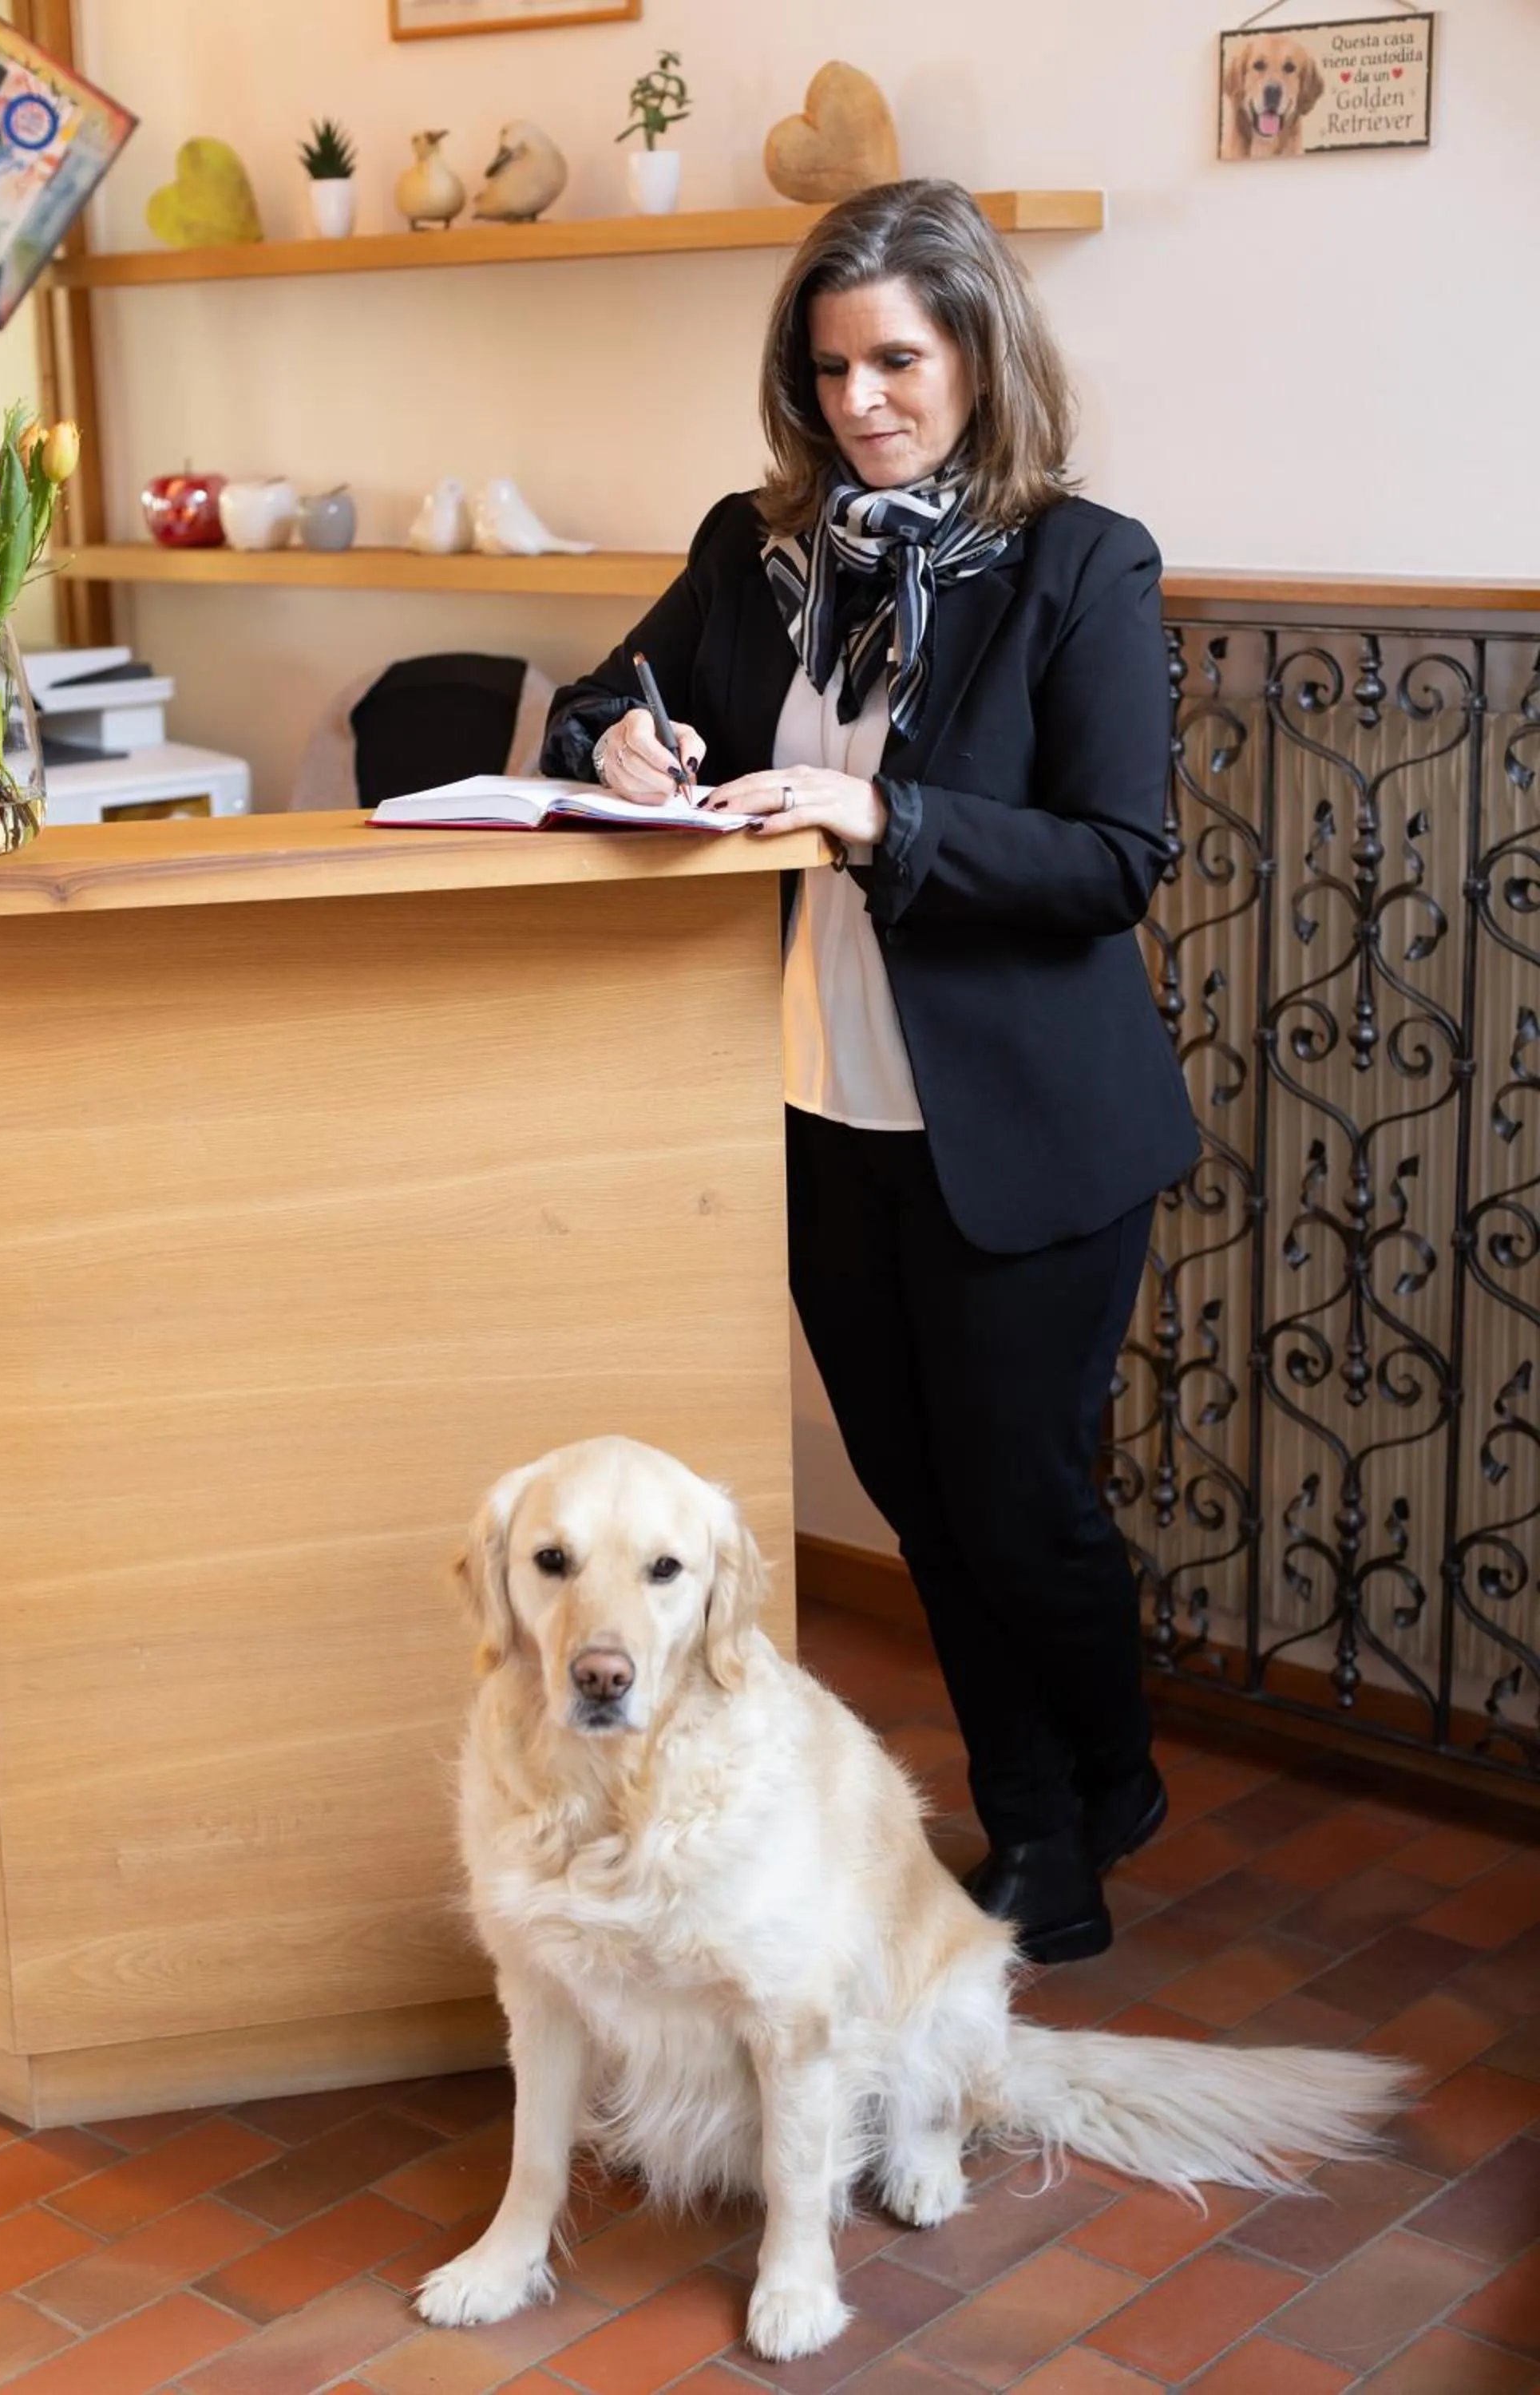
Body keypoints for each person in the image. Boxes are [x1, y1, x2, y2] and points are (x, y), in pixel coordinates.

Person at [540, 178, 1199, 1965]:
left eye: (895, 359)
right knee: (917, 1494)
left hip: (1027, 1133)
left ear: (976, 351)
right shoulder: (755, 554)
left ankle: (1104, 1777)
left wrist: (878, 810)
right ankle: (1038, 1819)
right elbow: (590, 698)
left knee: (1018, 1496)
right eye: (828, 368)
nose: (860, 402)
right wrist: (625, 732)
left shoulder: (1082, 562)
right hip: (822, 1118)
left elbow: (1111, 857)